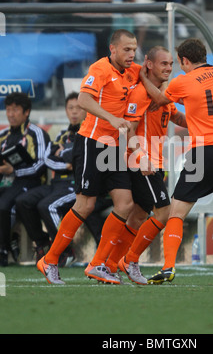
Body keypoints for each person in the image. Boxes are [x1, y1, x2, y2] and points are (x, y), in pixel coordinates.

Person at [139, 38, 213, 288]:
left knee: (177, 212)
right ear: (204, 56)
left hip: (203, 153)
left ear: (184, 60)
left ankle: (168, 267)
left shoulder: (182, 81)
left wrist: (142, 78)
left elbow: (159, 101)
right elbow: (208, 101)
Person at [37, 29, 141, 285]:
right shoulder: (100, 68)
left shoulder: (132, 70)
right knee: (85, 205)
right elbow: (83, 99)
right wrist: (113, 118)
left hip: (113, 147)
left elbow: (148, 74)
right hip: (91, 143)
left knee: (126, 204)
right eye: (127, 49)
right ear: (113, 49)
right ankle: (49, 260)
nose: (132, 54)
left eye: (134, 49)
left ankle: (98, 264)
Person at [104, 46, 187, 284]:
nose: (169, 68)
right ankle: (129, 260)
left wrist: (199, 116)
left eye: (171, 64)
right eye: (164, 64)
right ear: (149, 64)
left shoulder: (161, 92)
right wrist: (140, 157)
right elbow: (128, 128)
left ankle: (111, 264)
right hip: (143, 162)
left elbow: (176, 116)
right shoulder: (140, 94)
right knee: (163, 212)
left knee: (139, 216)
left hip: (155, 162)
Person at [15, 92, 85, 265]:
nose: (74, 112)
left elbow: (80, 159)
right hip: (56, 183)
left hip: (75, 185)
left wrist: (64, 153)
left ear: (85, 110)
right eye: (70, 108)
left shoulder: (88, 133)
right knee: (23, 201)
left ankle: (66, 250)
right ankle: (42, 242)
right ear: (66, 111)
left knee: (47, 205)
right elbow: (47, 159)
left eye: (78, 108)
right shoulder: (61, 135)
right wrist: (66, 163)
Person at [0, 92, 50, 266]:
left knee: (4, 205)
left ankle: (3, 250)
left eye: (15, 110)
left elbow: (42, 165)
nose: (10, 114)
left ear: (26, 111)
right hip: (6, 181)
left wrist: (14, 171)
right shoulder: (3, 135)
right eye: (7, 110)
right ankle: (10, 242)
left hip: (30, 182)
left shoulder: (37, 133)